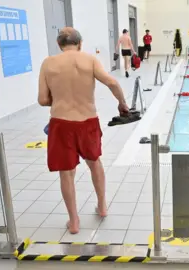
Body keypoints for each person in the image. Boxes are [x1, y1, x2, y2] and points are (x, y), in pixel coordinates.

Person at [38, 27, 129, 234]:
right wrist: (122, 103)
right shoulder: (89, 60)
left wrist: (61, 98)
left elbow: (43, 99)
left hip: (61, 123)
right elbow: (112, 81)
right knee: (94, 162)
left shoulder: (49, 63)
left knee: (66, 173)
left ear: (59, 45)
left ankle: (74, 221)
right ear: (80, 43)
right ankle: (102, 206)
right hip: (88, 121)